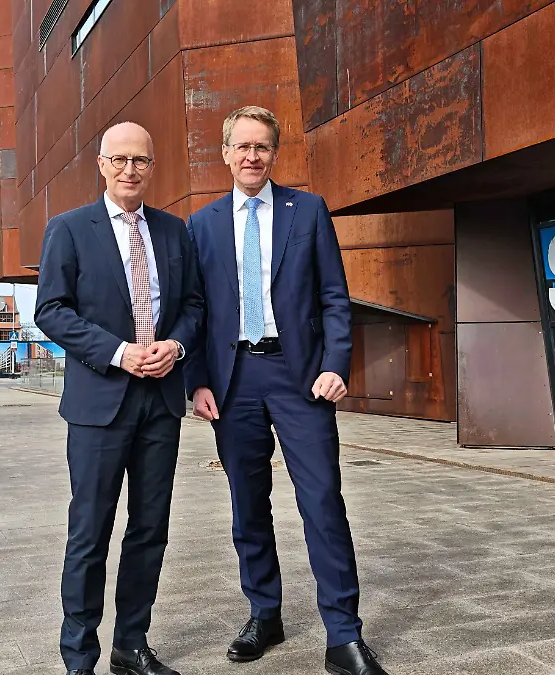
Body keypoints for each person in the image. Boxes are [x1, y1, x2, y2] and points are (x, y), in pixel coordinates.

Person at [183, 106, 389, 675]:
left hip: (301, 378)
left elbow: (333, 297)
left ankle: (343, 635)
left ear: (275, 154)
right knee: (248, 507)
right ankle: (264, 613)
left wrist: (337, 364)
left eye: (263, 147)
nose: (253, 156)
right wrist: (195, 380)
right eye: (242, 146)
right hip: (232, 382)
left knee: (322, 501)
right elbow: (194, 312)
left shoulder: (310, 211)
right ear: (225, 153)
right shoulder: (201, 226)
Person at [35, 121, 204, 675]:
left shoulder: (175, 232)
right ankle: (79, 657)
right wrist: (116, 352)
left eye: (141, 161)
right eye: (120, 160)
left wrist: (176, 346)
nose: (130, 169)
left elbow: (196, 306)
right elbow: (51, 310)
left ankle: (131, 646)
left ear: (152, 167)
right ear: (102, 165)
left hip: (160, 403)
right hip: (99, 405)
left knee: (150, 528)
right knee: (90, 531)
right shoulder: (69, 229)